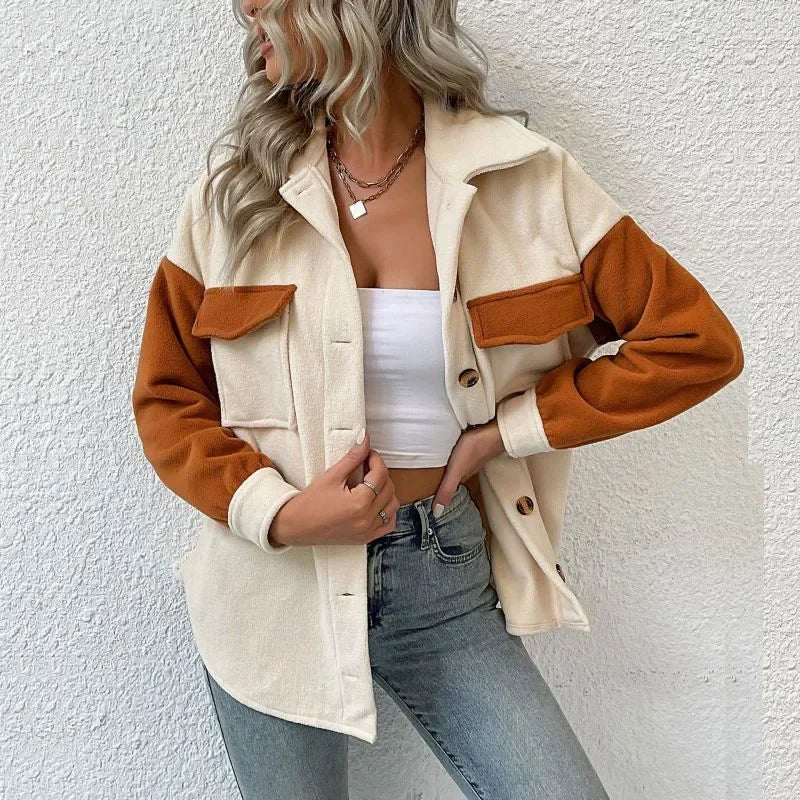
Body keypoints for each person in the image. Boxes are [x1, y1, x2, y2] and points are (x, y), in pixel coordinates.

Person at [130, 1, 745, 797]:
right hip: (272, 591)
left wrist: (506, 431)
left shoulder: (525, 181)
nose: (245, 6)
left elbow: (694, 344)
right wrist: (278, 513)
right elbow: (167, 396)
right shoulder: (235, 197)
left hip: (441, 579)